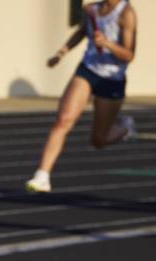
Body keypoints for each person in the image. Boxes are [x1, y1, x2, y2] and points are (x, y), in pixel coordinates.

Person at [26, 0, 137, 193]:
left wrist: (107, 44)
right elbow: (81, 32)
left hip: (112, 78)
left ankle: (125, 128)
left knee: (98, 140)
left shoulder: (126, 13)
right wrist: (61, 53)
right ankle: (42, 175)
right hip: (88, 69)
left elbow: (129, 55)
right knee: (63, 119)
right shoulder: (93, 9)